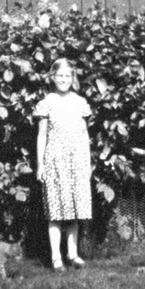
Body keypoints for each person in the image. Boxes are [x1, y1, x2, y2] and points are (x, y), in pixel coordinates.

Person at [34, 58, 93, 271]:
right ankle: (56, 257)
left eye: (67, 76)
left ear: (72, 78)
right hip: (55, 162)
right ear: (53, 77)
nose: (63, 79)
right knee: (56, 211)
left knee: (75, 211)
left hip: (77, 161)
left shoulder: (80, 102)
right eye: (60, 75)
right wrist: (40, 164)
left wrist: (87, 163)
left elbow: (84, 134)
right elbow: (42, 136)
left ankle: (73, 254)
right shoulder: (47, 103)